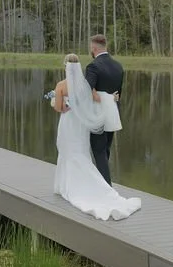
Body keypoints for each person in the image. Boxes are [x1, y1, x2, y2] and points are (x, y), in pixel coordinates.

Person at [50, 53, 141, 221]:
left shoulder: (61, 85)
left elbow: (58, 108)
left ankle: (66, 186)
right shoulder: (85, 86)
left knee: (66, 152)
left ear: (65, 67)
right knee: (81, 153)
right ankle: (95, 185)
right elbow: (94, 100)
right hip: (81, 125)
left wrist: (59, 102)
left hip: (68, 123)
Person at [84, 34, 123, 185]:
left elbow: (86, 90)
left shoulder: (93, 66)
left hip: (97, 114)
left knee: (98, 151)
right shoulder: (118, 66)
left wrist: (95, 95)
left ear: (93, 48)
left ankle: (106, 187)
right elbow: (118, 94)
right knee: (105, 150)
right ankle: (101, 183)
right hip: (112, 112)